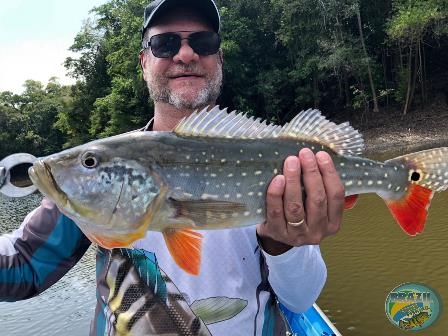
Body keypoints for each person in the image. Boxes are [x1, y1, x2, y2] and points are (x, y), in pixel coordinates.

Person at [0, 0, 344, 334]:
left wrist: (283, 244)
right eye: (164, 44)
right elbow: (21, 266)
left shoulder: (278, 160)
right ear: (144, 62)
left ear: (219, 57)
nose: (185, 54)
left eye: (203, 42)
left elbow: (301, 300)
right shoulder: (101, 175)